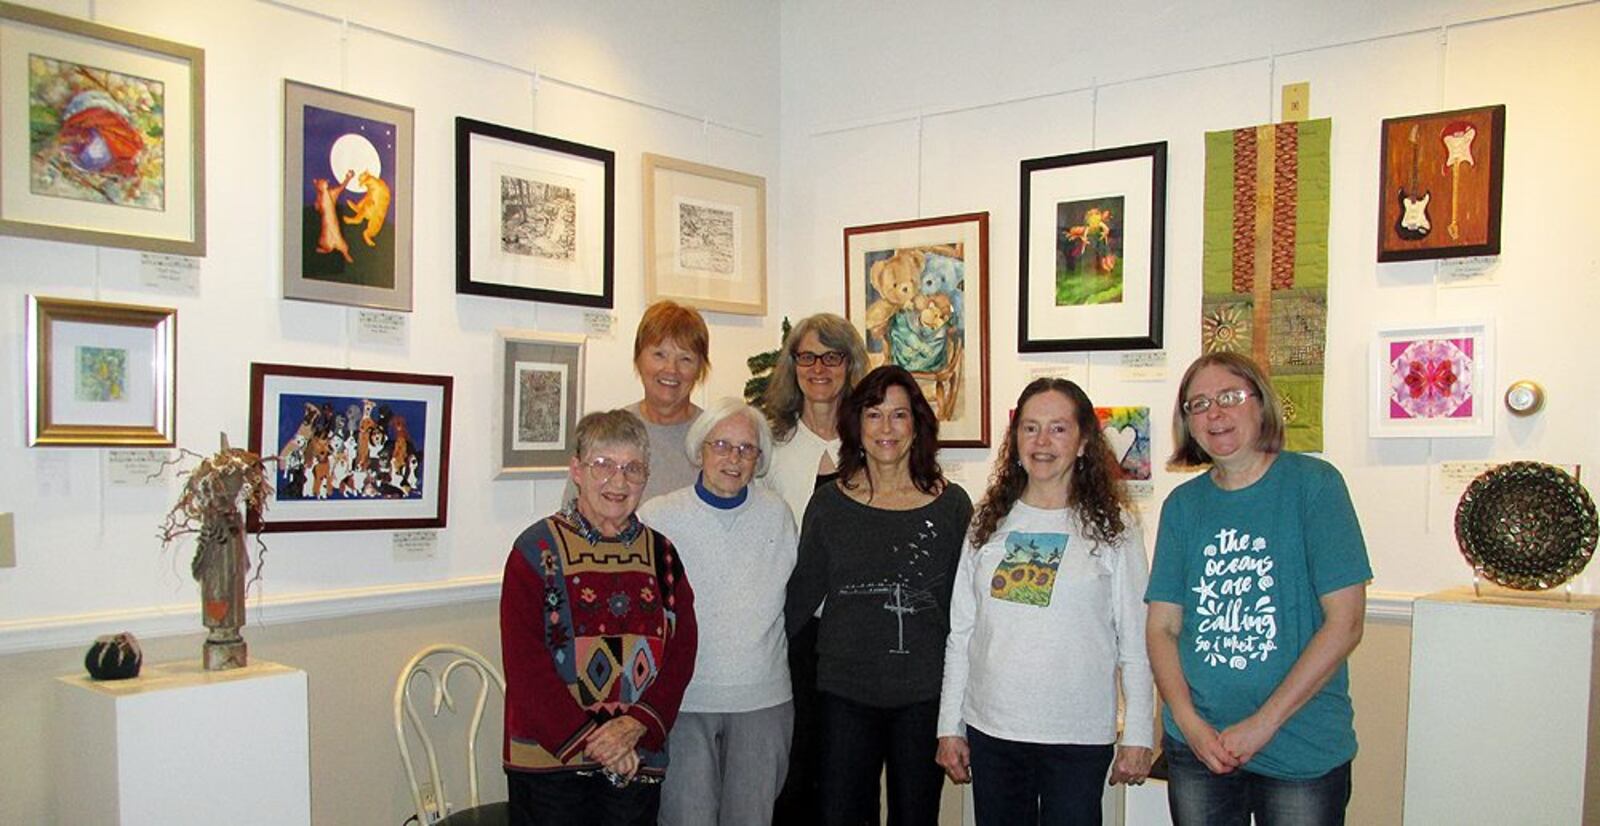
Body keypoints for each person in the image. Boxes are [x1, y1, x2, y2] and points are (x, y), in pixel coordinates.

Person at [1145, 352, 1371, 826]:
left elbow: (1345, 623)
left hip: (1299, 745)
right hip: (1199, 748)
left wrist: (1262, 724)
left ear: (1261, 404)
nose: (1214, 414)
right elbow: (1163, 628)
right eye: (1198, 404)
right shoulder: (1182, 507)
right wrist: (1187, 723)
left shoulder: (1315, 486)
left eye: (1229, 397)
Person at [935, 378, 1155, 825]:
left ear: (1083, 442)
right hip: (993, 729)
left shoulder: (1115, 528)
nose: (1042, 441)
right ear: (1015, 441)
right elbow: (962, 632)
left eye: (1058, 428)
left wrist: (1138, 733)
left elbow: (1136, 640)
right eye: (1030, 428)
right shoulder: (988, 520)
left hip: (1076, 735)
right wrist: (949, 727)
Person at [785, 365, 973, 826]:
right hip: (844, 696)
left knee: (916, 818)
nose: (885, 429)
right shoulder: (829, 505)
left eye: (898, 415)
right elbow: (799, 602)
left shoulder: (953, 507)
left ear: (917, 426)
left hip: (923, 696)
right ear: (856, 425)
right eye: (873, 415)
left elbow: (964, 615)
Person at [500, 409, 698, 826]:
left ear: (646, 477)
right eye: (603, 465)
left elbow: (682, 652)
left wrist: (636, 727)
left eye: (632, 468)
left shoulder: (662, 555)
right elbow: (525, 664)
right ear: (576, 469)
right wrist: (596, 742)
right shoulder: (535, 550)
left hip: (636, 753)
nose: (618, 481)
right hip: (550, 761)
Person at [638, 399, 799, 826]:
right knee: (685, 818)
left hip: (763, 700)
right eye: (722, 445)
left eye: (747, 449)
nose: (734, 458)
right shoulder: (658, 518)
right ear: (700, 449)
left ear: (759, 459)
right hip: (685, 699)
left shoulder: (777, 515)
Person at [759, 312, 869, 826]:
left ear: (850, 366)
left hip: (854, 631)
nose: (818, 368)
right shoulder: (770, 444)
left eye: (832, 356)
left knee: (851, 772)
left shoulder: (873, 443)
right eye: (806, 356)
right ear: (791, 363)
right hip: (790, 629)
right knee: (793, 766)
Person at [564, 300, 711, 506]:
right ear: (638, 359)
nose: (671, 369)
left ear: (700, 368)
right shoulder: (607, 433)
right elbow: (573, 518)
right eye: (659, 355)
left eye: (685, 359)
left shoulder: (715, 439)